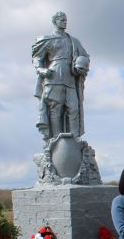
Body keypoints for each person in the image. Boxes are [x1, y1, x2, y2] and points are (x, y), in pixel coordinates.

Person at [32, 11, 90, 141]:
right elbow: (37, 58)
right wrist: (41, 69)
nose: (65, 22)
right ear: (55, 22)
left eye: (66, 20)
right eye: (62, 20)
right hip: (53, 76)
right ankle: (56, 139)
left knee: (74, 108)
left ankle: (75, 140)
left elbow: (85, 56)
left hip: (70, 77)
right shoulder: (48, 39)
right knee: (55, 108)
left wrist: (81, 65)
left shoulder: (73, 41)